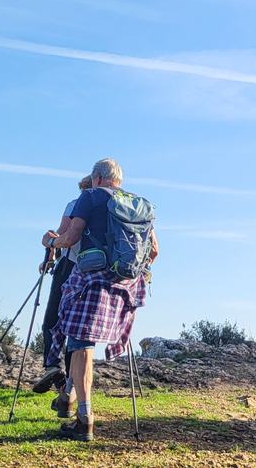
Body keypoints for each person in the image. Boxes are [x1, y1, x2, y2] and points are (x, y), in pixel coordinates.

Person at [42, 158, 160, 441]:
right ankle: (68, 397)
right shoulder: (135, 204)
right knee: (81, 342)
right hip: (127, 284)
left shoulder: (90, 196)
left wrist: (50, 243)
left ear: (96, 177)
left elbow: (70, 237)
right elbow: (154, 250)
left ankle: (85, 419)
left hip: (91, 279)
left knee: (80, 343)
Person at [31, 175, 92, 396]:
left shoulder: (76, 204)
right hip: (98, 271)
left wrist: (50, 245)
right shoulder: (112, 208)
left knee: (53, 320)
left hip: (70, 265)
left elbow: (64, 235)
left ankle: (54, 368)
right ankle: (69, 386)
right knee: (78, 328)